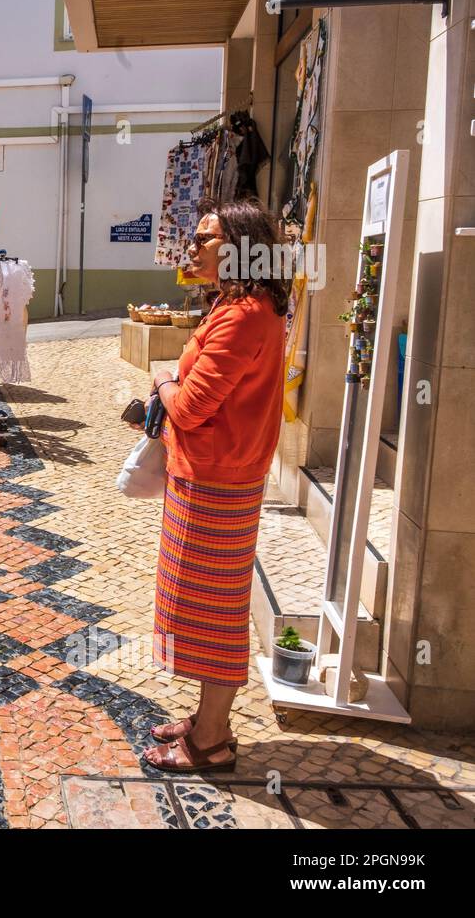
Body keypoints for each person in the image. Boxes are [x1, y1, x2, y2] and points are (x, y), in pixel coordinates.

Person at [141, 197, 288, 774]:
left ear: (238, 248)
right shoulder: (240, 306)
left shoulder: (245, 313)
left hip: (217, 479)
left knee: (214, 611)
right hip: (211, 473)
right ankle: (207, 721)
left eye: (205, 239)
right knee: (199, 604)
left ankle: (212, 740)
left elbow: (196, 404)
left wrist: (162, 381)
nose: (193, 247)